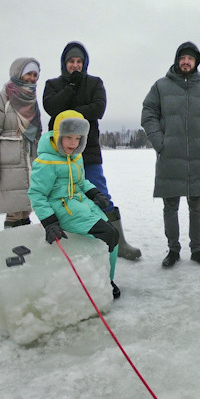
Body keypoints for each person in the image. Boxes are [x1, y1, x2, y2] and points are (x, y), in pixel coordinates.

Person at [43, 41, 141, 261]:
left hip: (89, 151)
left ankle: (120, 242)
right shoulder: (53, 85)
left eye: (79, 61)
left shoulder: (95, 83)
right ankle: (68, 244)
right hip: (59, 154)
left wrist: (69, 112)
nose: (75, 66)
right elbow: (50, 108)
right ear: (64, 63)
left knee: (100, 194)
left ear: (84, 63)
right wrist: (70, 88)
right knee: (61, 196)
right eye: (71, 62)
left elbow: (98, 109)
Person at [141, 41, 200, 268]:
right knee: (170, 206)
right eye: (183, 58)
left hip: (197, 156)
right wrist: (160, 142)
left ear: (195, 62)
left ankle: (197, 250)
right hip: (170, 155)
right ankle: (173, 250)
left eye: (191, 58)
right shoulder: (161, 86)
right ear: (177, 60)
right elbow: (148, 113)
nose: (186, 62)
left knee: (197, 205)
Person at [28, 110, 121, 299]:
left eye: (78, 138)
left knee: (112, 234)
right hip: (63, 209)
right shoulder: (46, 161)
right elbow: (37, 194)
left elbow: (81, 182)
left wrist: (94, 193)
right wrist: (50, 222)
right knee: (109, 234)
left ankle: (106, 278)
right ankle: (103, 280)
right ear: (57, 135)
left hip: (81, 204)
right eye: (68, 137)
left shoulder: (76, 157)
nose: (73, 143)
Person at [0, 57, 42, 228]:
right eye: (28, 74)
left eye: (35, 75)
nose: (32, 78)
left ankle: (25, 247)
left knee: (26, 208)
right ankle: (11, 245)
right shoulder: (3, 99)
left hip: (30, 159)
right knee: (13, 210)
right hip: (10, 162)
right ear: (18, 73)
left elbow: (37, 133)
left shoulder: (32, 100)